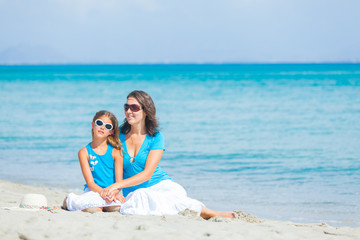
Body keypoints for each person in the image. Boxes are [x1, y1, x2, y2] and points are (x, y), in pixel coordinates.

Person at [101, 90, 234, 219]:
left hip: (160, 185)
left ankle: (212, 213)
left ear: (146, 111)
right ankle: (205, 212)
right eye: (126, 107)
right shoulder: (117, 136)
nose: (128, 111)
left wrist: (116, 186)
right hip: (134, 192)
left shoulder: (156, 137)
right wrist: (111, 189)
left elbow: (147, 174)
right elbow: (107, 164)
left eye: (134, 107)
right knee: (142, 198)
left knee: (165, 201)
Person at [63, 110, 125, 212]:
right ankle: (69, 200)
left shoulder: (116, 152)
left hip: (111, 192)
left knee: (117, 208)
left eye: (108, 126)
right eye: (99, 123)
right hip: (93, 191)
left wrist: (113, 193)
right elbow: (90, 183)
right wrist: (103, 193)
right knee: (95, 209)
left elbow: (119, 183)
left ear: (111, 132)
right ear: (93, 124)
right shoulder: (84, 152)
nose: (102, 127)